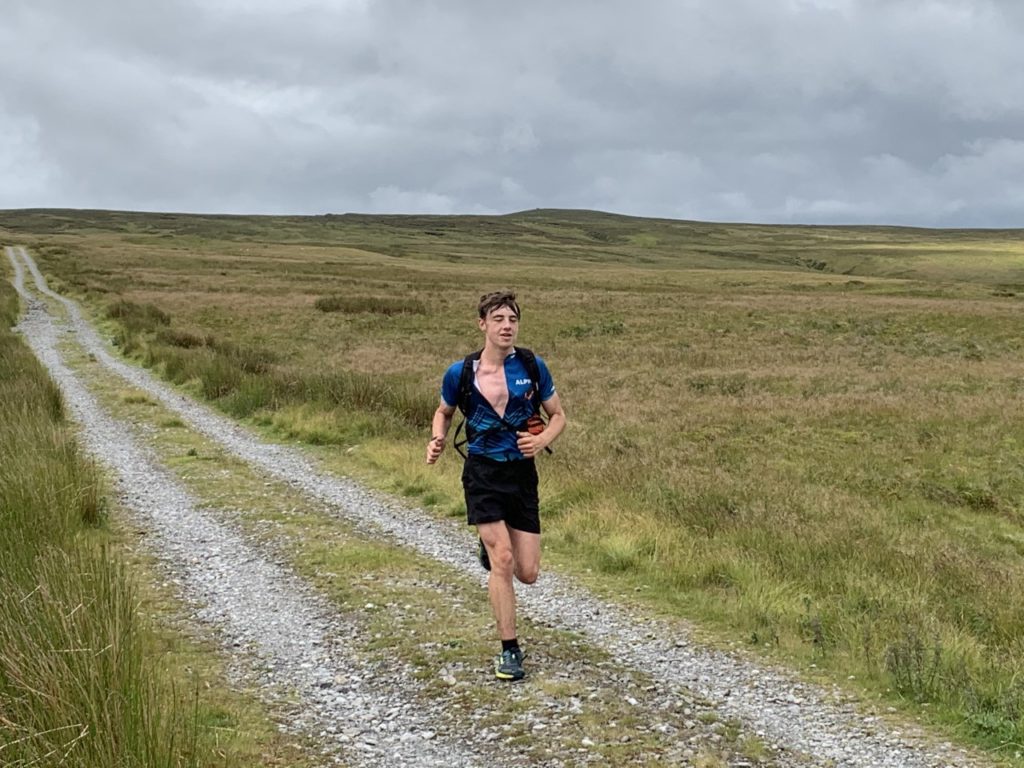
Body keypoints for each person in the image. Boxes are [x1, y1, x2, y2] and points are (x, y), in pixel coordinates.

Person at [426, 291, 566, 681]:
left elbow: (558, 416)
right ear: (482, 324)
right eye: (499, 318)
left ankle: (492, 552)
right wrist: (437, 438)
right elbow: (444, 412)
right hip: (482, 472)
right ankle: (510, 651)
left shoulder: (533, 366)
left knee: (528, 572)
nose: (507, 326)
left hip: (522, 474)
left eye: (513, 319)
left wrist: (540, 441)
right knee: (502, 559)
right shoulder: (461, 373)